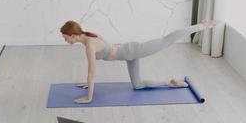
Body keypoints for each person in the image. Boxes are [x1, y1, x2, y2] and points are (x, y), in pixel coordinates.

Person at [60, 20, 217, 103]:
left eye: (65, 37)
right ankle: (171, 82)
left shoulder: (89, 44)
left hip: (133, 50)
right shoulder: (88, 37)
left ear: (72, 35)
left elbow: (91, 72)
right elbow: (93, 71)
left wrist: (89, 97)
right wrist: (88, 84)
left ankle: (202, 25)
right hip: (129, 55)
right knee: (138, 86)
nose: (65, 40)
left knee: (166, 40)